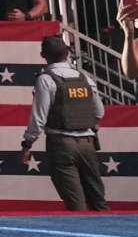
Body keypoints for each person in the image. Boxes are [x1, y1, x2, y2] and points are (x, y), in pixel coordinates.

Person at [20, 36, 108, 211]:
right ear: (68, 53)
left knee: (76, 205)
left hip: (61, 145)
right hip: (88, 144)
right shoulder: (85, 78)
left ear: (43, 55)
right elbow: (100, 112)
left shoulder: (45, 80)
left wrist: (27, 144)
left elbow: (39, 118)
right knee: (98, 201)